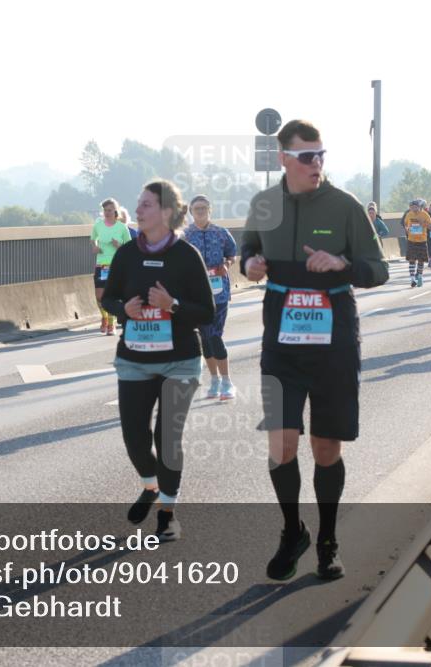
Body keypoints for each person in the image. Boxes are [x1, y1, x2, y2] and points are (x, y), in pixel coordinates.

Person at [241, 119, 389, 581]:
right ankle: (293, 531)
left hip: (333, 342)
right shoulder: (264, 204)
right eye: (307, 156)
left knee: (326, 448)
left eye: (321, 154)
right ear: (284, 158)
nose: (316, 163)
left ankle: (327, 540)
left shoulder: (344, 206)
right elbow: (246, 251)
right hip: (281, 342)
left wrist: (343, 263)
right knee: (282, 445)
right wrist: (250, 263)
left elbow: (379, 269)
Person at [101, 180, 214, 542]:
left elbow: (206, 312)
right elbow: (109, 298)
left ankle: (167, 512)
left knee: (168, 437)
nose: (137, 211)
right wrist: (124, 309)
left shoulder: (186, 256)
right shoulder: (126, 254)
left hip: (179, 361)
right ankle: (151, 486)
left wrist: (173, 305)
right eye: (138, 204)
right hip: (135, 359)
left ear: (166, 212)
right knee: (135, 438)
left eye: (146, 205)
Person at [183, 194, 239, 400]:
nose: (201, 211)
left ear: (210, 210)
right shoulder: (185, 236)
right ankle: (214, 380)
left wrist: (227, 264)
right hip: (197, 295)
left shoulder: (221, 233)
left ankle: (227, 381)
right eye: (197, 208)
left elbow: (232, 253)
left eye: (204, 208)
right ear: (190, 211)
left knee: (215, 335)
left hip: (219, 293)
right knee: (205, 338)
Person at [91, 198, 133, 335]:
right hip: (101, 264)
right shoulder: (98, 225)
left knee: (112, 296)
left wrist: (119, 246)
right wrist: (95, 247)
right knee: (99, 295)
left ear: (115, 211)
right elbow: (93, 239)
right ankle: (104, 317)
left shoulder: (122, 227)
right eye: (104, 210)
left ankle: (111, 323)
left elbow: (129, 247)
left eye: (109, 210)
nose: (107, 213)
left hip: (116, 265)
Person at [403, 199, 431, 287]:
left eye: (416, 207)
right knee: (411, 260)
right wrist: (407, 229)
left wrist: (422, 223)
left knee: (421, 261)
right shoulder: (409, 214)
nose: (414, 209)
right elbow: (405, 225)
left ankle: (419, 276)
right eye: (412, 207)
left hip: (422, 241)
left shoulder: (425, 214)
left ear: (419, 207)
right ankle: (412, 279)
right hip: (411, 240)